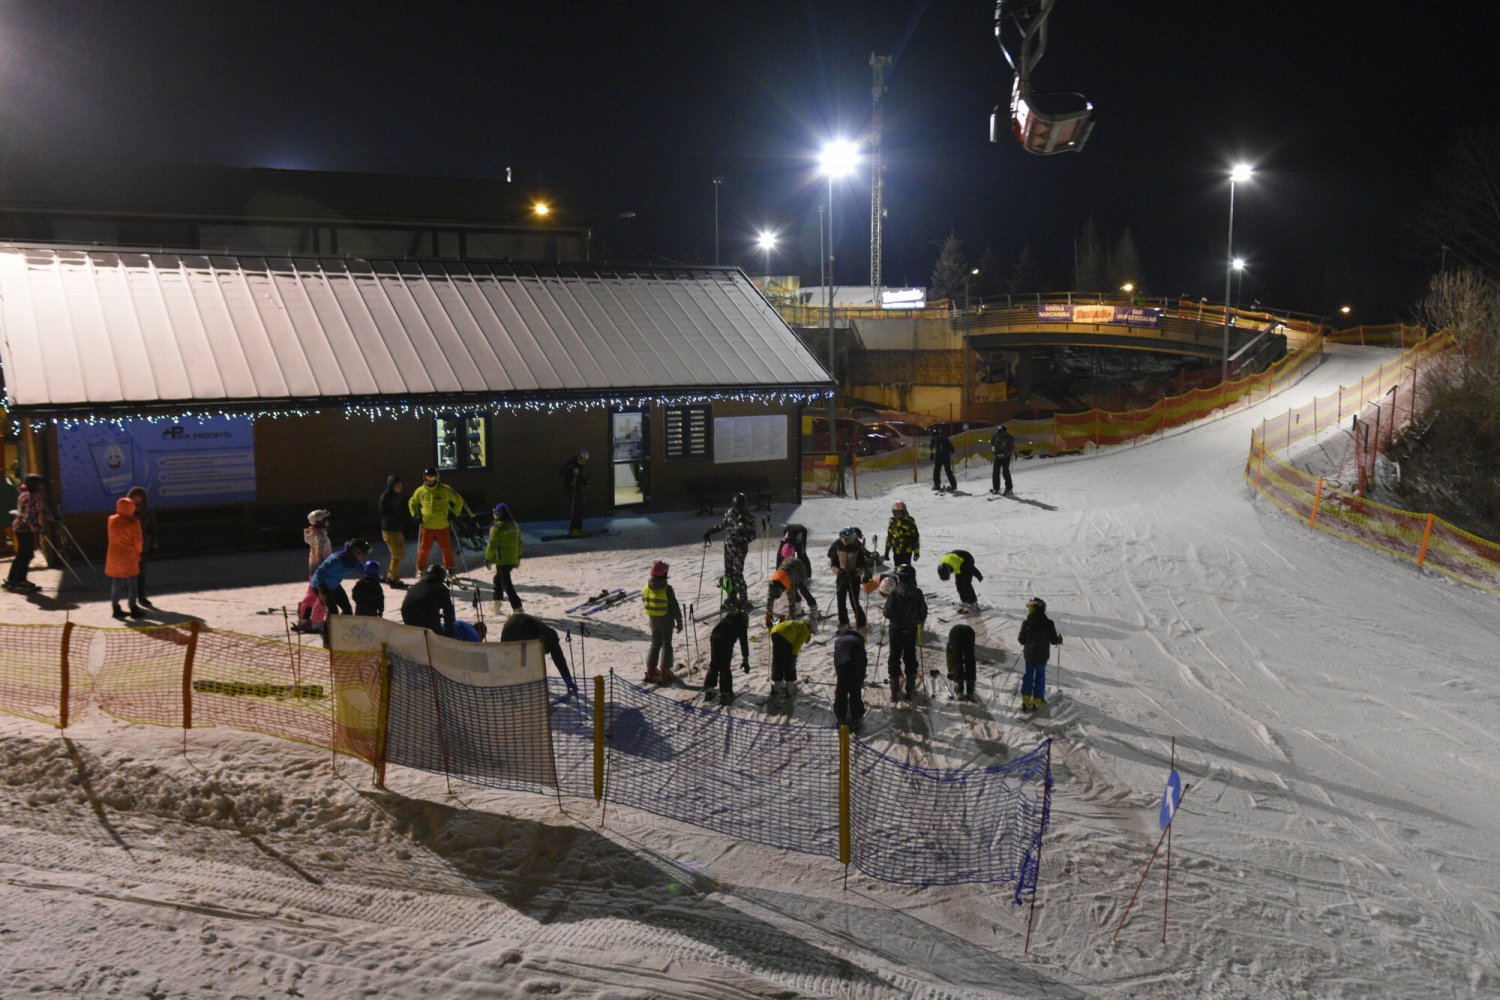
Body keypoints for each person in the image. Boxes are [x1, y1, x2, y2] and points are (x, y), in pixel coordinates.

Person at [499, 611, 579, 696]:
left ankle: (506, 685)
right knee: (531, 663)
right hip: (525, 629)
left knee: (510, 658)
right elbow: (560, 661)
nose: (546, 653)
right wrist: (568, 681)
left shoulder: (544, 630)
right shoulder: (551, 640)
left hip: (508, 627)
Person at [882, 563, 928, 705]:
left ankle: (894, 688)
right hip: (911, 629)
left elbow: (887, 612)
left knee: (894, 656)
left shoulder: (895, 592)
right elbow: (923, 612)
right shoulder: (918, 592)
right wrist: (918, 620)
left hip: (896, 629)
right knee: (910, 655)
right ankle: (910, 686)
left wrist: (897, 616)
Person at [703, 492, 757, 610]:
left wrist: (743, 540)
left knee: (738, 575)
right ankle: (731, 597)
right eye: (737, 507)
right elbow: (723, 525)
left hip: (740, 550)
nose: (739, 510)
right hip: (728, 546)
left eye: (741, 508)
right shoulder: (729, 513)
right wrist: (711, 530)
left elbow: (753, 535)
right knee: (728, 574)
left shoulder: (749, 518)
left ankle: (743, 600)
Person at [408, 467, 464, 574]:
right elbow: (412, 502)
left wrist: (454, 513)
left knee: (446, 548)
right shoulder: (420, 491)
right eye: (427, 477)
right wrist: (415, 515)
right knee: (424, 549)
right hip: (427, 525)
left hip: (442, 525)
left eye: (432, 477)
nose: (430, 479)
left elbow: (459, 500)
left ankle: (449, 567)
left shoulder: (445, 490)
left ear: (436, 477)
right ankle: (421, 568)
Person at [1017, 597, 1062, 712]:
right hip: (1042, 655)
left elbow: (1021, 639)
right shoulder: (1049, 623)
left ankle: (1027, 700)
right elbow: (1053, 640)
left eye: (1030, 607)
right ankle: (1038, 699)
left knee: (1029, 675)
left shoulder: (1026, 623)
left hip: (1030, 655)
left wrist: (1027, 640)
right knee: (1040, 676)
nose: (1029, 609)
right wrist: (1058, 639)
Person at [642, 559, 683, 683]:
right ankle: (665, 673)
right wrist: (679, 621)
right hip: (665, 619)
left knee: (655, 643)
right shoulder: (667, 588)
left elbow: (644, 601)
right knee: (666, 644)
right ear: (663, 574)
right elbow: (674, 606)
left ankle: (651, 670)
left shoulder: (646, 586)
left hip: (653, 619)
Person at [4, 474, 47, 592]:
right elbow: (26, 516)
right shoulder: (28, 497)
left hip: (26, 528)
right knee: (25, 554)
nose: (41, 487)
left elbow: (40, 508)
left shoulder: (33, 496)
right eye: (39, 484)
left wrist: (52, 516)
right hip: (23, 529)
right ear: (33, 485)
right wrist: (38, 527)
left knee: (24, 554)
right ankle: (18, 580)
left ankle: (14, 579)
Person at [105, 495, 145, 619]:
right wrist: (139, 553)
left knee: (116, 582)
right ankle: (133, 608)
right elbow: (138, 541)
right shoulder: (134, 522)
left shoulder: (111, 519)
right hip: (128, 555)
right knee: (132, 582)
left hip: (114, 554)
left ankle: (115, 608)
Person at [312, 538, 373, 618]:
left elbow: (365, 570)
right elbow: (320, 572)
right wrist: (322, 590)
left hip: (334, 585)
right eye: (364, 554)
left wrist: (374, 576)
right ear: (356, 552)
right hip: (321, 585)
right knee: (333, 611)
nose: (364, 557)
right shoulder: (337, 560)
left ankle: (343, 627)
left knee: (347, 609)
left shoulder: (355, 561)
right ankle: (328, 630)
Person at [826, 526, 873, 629]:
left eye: (847, 539)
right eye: (844, 539)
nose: (845, 541)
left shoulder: (858, 549)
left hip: (853, 579)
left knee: (854, 602)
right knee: (841, 603)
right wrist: (838, 571)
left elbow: (862, 566)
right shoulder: (838, 548)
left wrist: (856, 572)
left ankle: (861, 623)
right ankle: (844, 623)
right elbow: (833, 564)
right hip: (841, 578)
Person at [296, 509, 333, 632]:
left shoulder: (314, 533)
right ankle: (317, 622)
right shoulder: (320, 537)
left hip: (314, 571)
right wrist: (324, 567)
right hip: (321, 571)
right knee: (323, 596)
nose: (328, 522)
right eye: (325, 520)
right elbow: (320, 551)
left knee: (311, 594)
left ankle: (304, 619)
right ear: (319, 522)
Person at [703, 608, 750, 704]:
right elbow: (743, 642)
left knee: (714, 664)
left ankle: (709, 690)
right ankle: (725, 694)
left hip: (715, 638)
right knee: (725, 667)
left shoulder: (728, 619)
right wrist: (745, 658)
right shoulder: (742, 624)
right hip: (726, 641)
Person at [484, 501, 523, 614]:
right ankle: (497, 603)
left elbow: (492, 545)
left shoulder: (497, 528)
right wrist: (518, 557)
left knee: (507, 585)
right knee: (497, 580)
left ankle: (518, 608)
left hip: (502, 560)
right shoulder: (514, 524)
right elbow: (520, 542)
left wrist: (488, 558)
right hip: (512, 559)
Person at [125, 486, 159, 608]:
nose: (137, 499)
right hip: (128, 546)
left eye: (139, 497)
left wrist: (153, 545)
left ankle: (142, 596)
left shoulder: (148, 512)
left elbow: (153, 529)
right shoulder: (126, 512)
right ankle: (132, 598)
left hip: (143, 546)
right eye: (134, 497)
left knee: (141, 573)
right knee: (130, 574)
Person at [401, 564, 456, 637]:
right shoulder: (441, 589)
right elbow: (449, 613)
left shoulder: (415, 586)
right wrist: (449, 636)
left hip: (408, 619)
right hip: (425, 624)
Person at [832, 624, 868, 729]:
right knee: (855, 689)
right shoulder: (859, 641)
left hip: (841, 662)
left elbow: (836, 658)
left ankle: (840, 714)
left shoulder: (838, 640)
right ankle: (856, 715)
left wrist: (839, 674)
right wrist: (861, 678)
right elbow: (862, 662)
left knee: (841, 689)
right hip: (854, 663)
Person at [765, 554, 815, 629]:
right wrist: (768, 615)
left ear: (782, 589)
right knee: (795, 593)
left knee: (803, 589)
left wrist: (791, 622)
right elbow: (770, 598)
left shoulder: (789, 584)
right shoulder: (772, 583)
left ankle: (814, 611)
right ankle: (799, 612)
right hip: (786, 565)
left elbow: (791, 603)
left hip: (799, 567)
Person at [768, 615, 812, 699]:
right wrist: (793, 657)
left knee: (777, 661)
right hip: (786, 635)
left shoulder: (797, 624)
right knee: (788, 664)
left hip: (775, 632)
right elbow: (797, 645)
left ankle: (776, 687)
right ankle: (789, 690)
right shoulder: (805, 631)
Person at [377, 474, 409, 588]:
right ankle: (393, 579)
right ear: (392, 486)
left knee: (401, 554)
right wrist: (396, 519)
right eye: (398, 485)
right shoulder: (385, 497)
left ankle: (390, 576)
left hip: (397, 529)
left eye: (401, 485)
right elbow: (385, 514)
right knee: (396, 555)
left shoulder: (398, 496)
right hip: (389, 530)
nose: (400, 487)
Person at [559, 448, 590, 537]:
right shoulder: (572, 464)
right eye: (583, 460)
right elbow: (561, 471)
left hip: (578, 488)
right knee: (576, 509)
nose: (584, 462)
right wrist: (572, 473)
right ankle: (574, 529)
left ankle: (577, 528)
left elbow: (580, 476)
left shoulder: (580, 464)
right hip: (571, 489)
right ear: (579, 457)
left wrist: (585, 483)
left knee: (580, 508)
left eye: (585, 461)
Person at [883, 500, 920, 568]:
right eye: (896, 512)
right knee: (897, 569)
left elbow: (915, 537)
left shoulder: (910, 520)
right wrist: (887, 551)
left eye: (900, 512)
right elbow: (890, 536)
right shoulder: (892, 521)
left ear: (904, 511)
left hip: (907, 551)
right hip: (896, 551)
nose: (898, 514)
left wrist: (916, 552)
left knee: (906, 570)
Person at [946, 623, 977, 701]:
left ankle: (959, 689)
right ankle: (970, 690)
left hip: (955, 632)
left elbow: (950, 656)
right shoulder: (967, 631)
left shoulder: (950, 642)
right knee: (969, 659)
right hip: (969, 631)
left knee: (957, 659)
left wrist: (950, 671)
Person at [990, 424, 1016, 496]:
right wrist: (994, 452)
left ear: (1004, 431)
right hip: (997, 456)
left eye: (1001, 432)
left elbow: (1010, 448)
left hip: (1006, 457)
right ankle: (996, 488)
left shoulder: (1010, 437)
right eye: (998, 432)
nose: (999, 433)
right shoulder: (996, 435)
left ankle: (1009, 489)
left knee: (1005, 472)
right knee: (995, 472)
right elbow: (992, 444)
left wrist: (1004, 454)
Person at [931, 427, 957, 492]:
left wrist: (951, 449)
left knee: (948, 471)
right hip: (938, 457)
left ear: (939, 434)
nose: (936, 437)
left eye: (937, 435)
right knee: (936, 471)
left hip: (946, 457)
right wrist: (932, 454)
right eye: (934, 436)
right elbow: (932, 447)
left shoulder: (945, 439)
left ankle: (953, 485)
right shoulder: (933, 439)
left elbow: (950, 446)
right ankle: (937, 484)